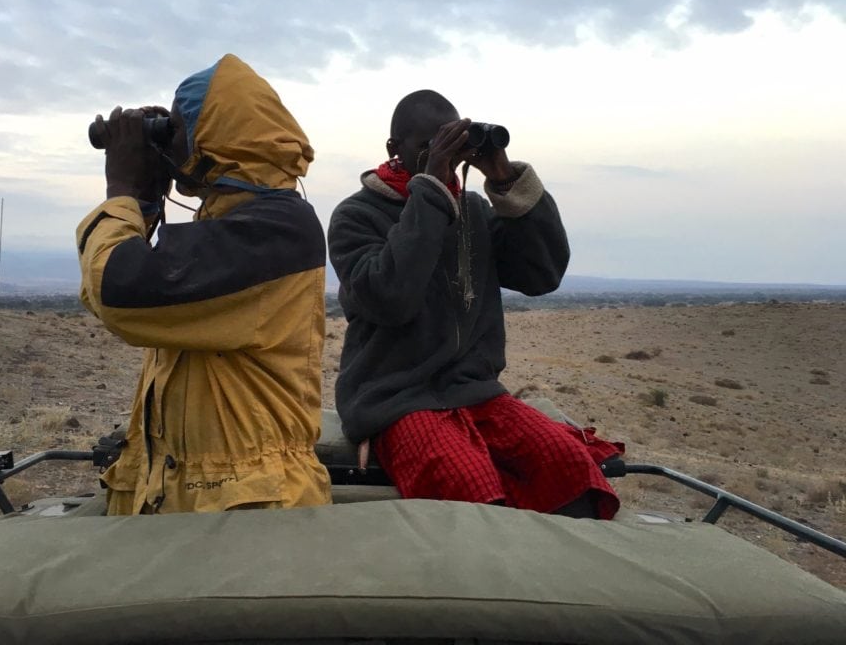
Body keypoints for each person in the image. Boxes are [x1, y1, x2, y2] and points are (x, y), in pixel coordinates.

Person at [328, 90, 621, 519]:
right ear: (394, 149)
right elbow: (390, 298)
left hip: (476, 390)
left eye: (451, 143)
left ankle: (553, 577)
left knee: (571, 468)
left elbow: (541, 275)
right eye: (428, 146)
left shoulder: (474, 209)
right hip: (393, 397)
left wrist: (504, 179)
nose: (444, 156)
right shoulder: (356, 215)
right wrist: (429, 187)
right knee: (465, 486)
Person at [77, 53, 332, 515]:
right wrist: (148, 203)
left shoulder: (277, 230)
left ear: (212, 138)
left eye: (178, 128)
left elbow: (118, 290)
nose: (170, 143)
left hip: (249, 514)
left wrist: (122, 192)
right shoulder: (228, 221)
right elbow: (117, 295)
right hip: (202, 503)